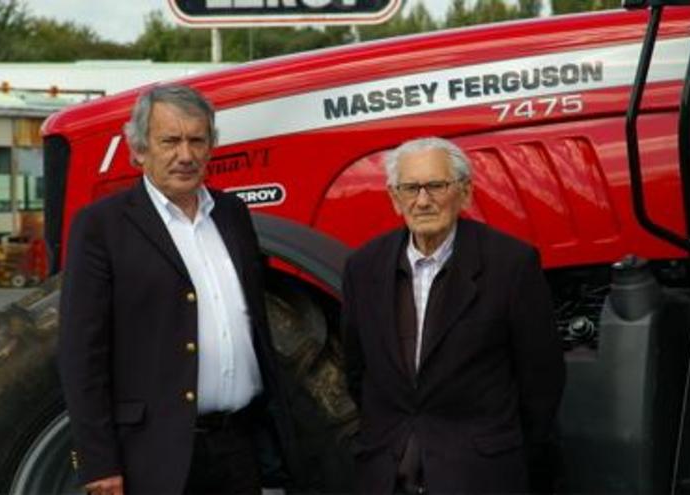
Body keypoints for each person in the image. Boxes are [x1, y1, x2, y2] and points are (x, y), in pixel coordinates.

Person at [58, 84, 293, 494]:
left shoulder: (233, 215)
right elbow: (82, 353)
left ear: (211, 146)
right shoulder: (102, 226)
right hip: (154, 458)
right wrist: (99, 463)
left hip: (239, 447)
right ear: (139, 149)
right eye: (170, 141)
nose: (185, 155)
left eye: (196, 140)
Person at [342, 137, 565, 494]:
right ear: (394, 197)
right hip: (387, 476)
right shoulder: (362, 267)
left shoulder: (511, 264)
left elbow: (541, 382)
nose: (423, 200)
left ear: (465, 192)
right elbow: (357, 371)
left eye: (436, 185)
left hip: (481, 476)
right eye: (411, 188)